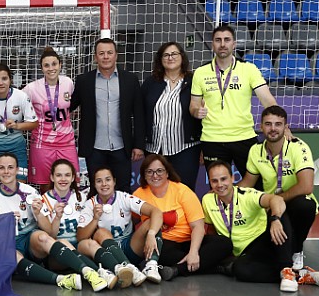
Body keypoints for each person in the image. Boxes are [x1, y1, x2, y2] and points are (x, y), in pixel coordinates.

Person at [0, 153, 106, 291]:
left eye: (10, 167)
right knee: (13, 257)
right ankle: (61, 280)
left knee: (43, 237)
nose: (6, 172)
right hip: (6, 241)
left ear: (17, 170)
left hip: (29, 240)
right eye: (2, 168)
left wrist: (38, 213)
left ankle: (88, 272)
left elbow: (49, 231)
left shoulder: (30, 192)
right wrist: (2, 221)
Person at [238, 106, 319, 287]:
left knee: (304, 205)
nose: (273, 128)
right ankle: (299, 274)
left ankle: (292, 260)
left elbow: (306, 186)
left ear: (285, 127)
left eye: (278, 124)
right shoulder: (256, 150)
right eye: (268, 124)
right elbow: (246, 183)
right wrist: (223, 191)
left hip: (293, 205)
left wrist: (277, 200)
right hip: (272, 209)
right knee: (242, 268)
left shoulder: (298, 147)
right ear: (261, 127)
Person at [202, 162, 309, 292]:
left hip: (265, 243)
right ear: (210, 183)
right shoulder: (207, 200)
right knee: (240, 270)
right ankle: (299, 275)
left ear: (232, 178)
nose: (220, 185)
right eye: (214, 181)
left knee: (279, 213)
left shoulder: (247, 195)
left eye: (223, 179)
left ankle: (286, 268)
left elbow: (276, 200)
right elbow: (211, 230)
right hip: (244, 254)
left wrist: (275, 219)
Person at [190, 23, 281, 176]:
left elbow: (268, 101)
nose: (222, 44)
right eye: (218, 40)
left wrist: (282, 126)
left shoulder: (249, 69)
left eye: (227, 40)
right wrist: (196, 111)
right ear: (212, 45)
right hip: (213, 140)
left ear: (234, 44)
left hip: (244, 137)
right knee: (218, 189)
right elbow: (193, 105)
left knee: (256, 187)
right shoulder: (200, 72)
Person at [132, 154, 231, 281]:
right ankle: (215, 266)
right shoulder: (138, 195)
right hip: (164, 245)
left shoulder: (182, 190)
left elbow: (198, 227)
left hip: (189, 242)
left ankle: (178, 269)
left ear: (167, 173)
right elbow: (132, 220)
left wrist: (193, 252)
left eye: (159, 171)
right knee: (157, 251)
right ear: (144, 175)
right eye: (149, 172)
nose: (155, 175)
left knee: (225, 243)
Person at [70, 38, 145, 194]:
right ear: (95, 57)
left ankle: (123, 220)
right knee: (96, 191)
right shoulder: (84, 81)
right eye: (101, 53)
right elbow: (69, 106)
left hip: (122, 146)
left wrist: (138, 144)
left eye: (109, 53)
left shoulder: (130, 80)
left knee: (123, 190)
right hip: (94, 147)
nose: (106, 57)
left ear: (116, 55)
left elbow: (139, 114)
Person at [33, 159, 120, 290]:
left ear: (73, 177)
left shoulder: (81, 197)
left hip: (79, 247)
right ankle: (95, 271)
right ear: (52, 177)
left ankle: (114, 270)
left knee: (90, 243)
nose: (63, 179)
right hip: (58, 256)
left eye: (67, 175)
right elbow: (51, 235)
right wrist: (57, 217)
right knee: (63, 242)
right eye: (59, 175)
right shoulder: (43, 201)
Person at [80, 166, 164, 284]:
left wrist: (151, 234)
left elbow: (156, 212)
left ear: (114, 181)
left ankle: (151, 265)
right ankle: (131, 270)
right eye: (99, 181)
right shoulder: (90, 204)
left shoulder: (124, 197)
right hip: (109, 254)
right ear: (94, 184)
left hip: (130, 247)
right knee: (100, 233)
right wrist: (95, 219)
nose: (104, 184)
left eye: (108, 179)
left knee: (152, 222)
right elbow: (80, 237)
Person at [140, 41, 202, 190]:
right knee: (155, 190)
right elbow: (141, 115)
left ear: (182, 57)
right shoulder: (151, 83)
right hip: (155, 148)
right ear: (160, 60)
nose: (170, 58)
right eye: (166, 55)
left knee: (184, 190)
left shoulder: (194, 81)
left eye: (174, 54)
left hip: (185, 148)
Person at [23, 47, 77, 192]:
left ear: (60, 65)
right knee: (46, 186)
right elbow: (15, 100)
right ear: (41, 68)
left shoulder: (68, 83)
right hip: (43, 144)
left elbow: (72, 106)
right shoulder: (32, 88)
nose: (51, 68)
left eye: (54, 64)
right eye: (46, 65)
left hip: (66, 142)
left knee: (71, 184)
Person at [0, 62, 38, 187]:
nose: (0, 83)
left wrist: (17, 126)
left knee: (18, 190)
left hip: (16, 148)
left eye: (4, 78)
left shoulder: (21, 96)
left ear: (10, 80)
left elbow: (34, 123)